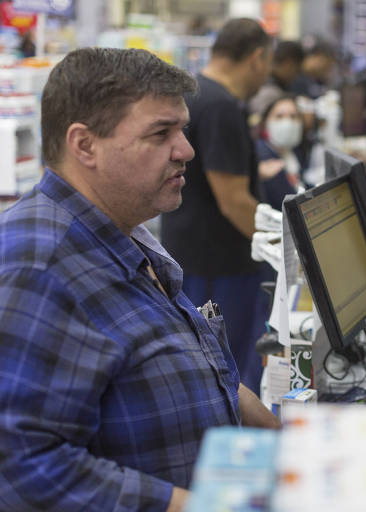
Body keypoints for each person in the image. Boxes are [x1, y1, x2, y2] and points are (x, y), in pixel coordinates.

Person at [0, 47, 279, 512]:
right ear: (84, 145)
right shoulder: (39, 268)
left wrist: (294, 448)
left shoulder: (124, 230)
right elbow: (21, 465)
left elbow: (208, 374)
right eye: (160, 133)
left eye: (182, 129)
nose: (186, 150)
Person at [160, 18, 273, 393]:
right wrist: (287, 250)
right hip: (220, 266)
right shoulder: (222, 106)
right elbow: (234, 201)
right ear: (257, 58)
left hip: (190, 252)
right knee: (225, 373)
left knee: (200, 367)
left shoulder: (193, 93)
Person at [256, 95, 308, 210]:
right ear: (265, 123)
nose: (287, 122)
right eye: (279, 117)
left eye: (293, 116)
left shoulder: (294, 151)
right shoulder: (262, 156)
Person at [249, 40, 304, 124]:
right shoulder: (268, 90)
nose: (296, 75)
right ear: (288, 63)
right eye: (297, 69)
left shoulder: (279, 85)